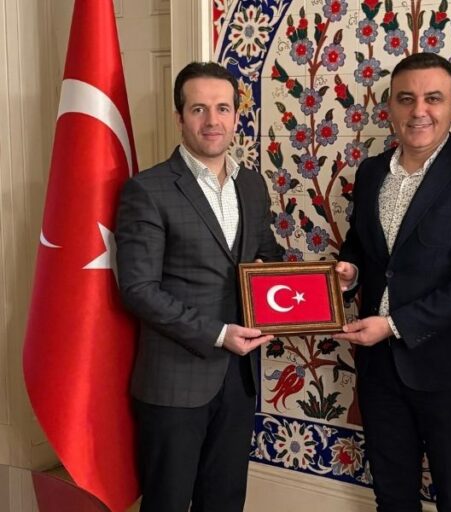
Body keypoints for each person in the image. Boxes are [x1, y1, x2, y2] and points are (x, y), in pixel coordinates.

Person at [333, 53, 451, 512]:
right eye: (406, 99)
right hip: (378, 370)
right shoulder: (370, 172)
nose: (419, 111)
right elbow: (361, 247)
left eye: (433, 98)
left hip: (450, 371)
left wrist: (392, 325)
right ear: (390, 106)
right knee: (392, 496)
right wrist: (350, 272)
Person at [115, 62, 284, 512]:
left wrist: (320, 281)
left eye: (223, 108)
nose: (213, 120)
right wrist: (218, 333)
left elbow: (266, 257)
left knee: (225, 500)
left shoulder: (252, 184)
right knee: (167, 502)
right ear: (179, 117)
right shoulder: (147, 190)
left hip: (240, 377)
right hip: (174, 381)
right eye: (198, 109)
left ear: (236, 116)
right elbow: (138, 288)